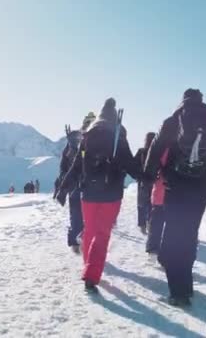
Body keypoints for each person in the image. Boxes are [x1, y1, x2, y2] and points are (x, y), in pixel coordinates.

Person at [144, 88, 206, 307]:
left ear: (182, 101)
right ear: (202, 102)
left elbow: (155, 150)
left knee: (172, 236)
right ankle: (186, 286)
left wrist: (148, 176)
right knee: (189, 236)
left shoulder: (172, 121)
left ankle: (178, 292)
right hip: (199, 190)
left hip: (175, 188)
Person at [57, 97, 141, 293]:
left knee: (90, 230)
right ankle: (91, 275)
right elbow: (130, 165)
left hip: (88, 194)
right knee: (102, 234)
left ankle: (88, 265)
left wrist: (63, 187)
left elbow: (76, 166)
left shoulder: (88, 136)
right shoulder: (118, 135)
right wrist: (146, 176)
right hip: (111, 196)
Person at [55, 128, 84, 254]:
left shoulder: (67, 150)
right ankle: (84, 241)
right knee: (86, 215)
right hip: (86, 186)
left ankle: (74, 242)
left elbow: (62, 170)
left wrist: (63, 186)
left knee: (75, 215)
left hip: (72, 187)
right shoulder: (84, 147)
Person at [145, 148, 169, 256]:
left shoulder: (160, 150)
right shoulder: (183, 150)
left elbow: (151, 170)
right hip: (176, 195)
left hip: (159, 192)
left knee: (156, 224)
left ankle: (152, 249)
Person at [134, 132, 156, 234]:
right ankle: (149, 222)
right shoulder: (157, 151)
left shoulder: (141, 151)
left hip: (142, 181)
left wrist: (138, 176)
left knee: (141, 204)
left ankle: (142, 224)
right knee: (152, 203)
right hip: (154, 181)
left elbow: (134, 164)